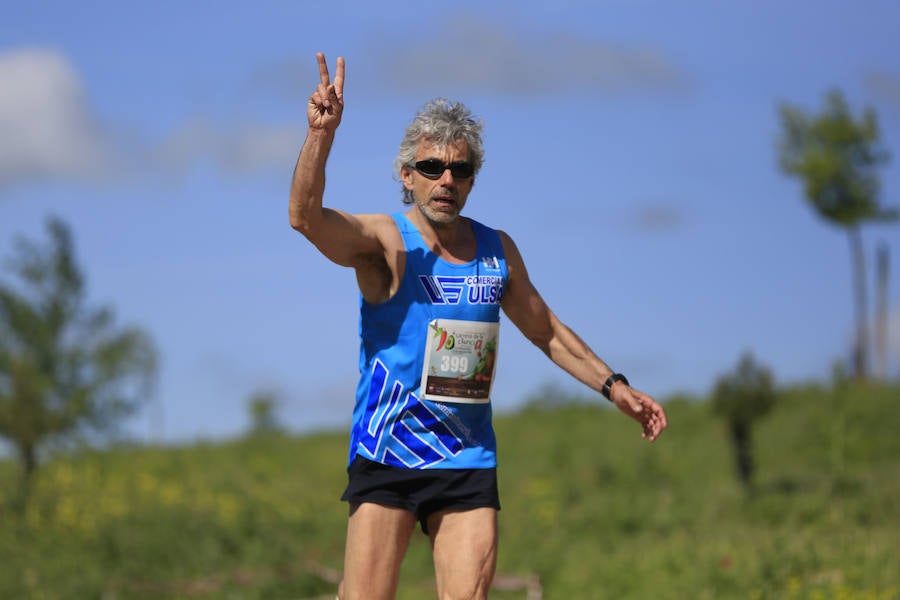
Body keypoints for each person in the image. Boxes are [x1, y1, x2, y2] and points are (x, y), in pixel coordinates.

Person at [289, 52, 668, 600]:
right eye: (431, 168)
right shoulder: (385, 242)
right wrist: (320, 135)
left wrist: (615, 387)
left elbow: (547, 331)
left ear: (471, 180)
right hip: (388, 454)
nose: (446, 180)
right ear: (406, 176)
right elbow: (305, 218)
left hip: (466, 460)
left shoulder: (497, 251)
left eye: (460, 170)